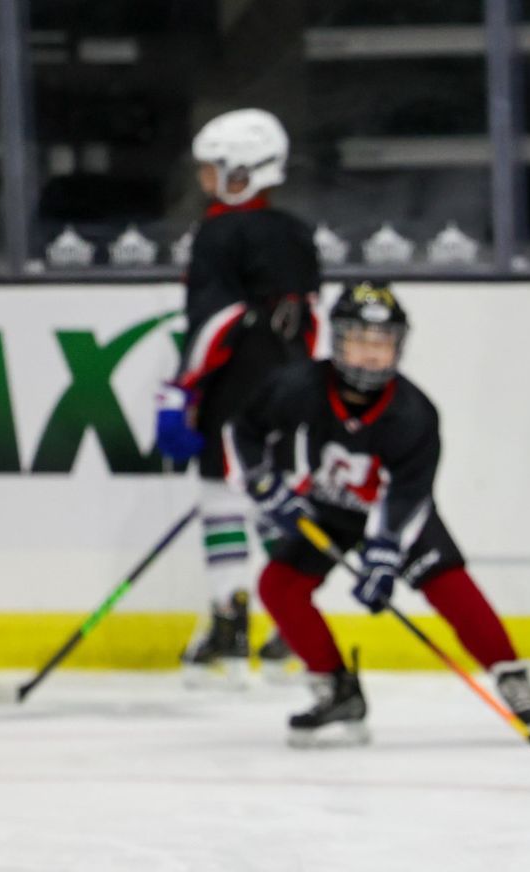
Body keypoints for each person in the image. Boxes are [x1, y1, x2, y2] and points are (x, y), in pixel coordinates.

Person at [225, 282, 530, 750]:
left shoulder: (414, 414)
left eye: (382, 344)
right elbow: (244, 432)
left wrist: (384, 554)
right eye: (360, 341)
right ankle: (336, 688)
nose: (370, 356)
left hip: (393, 512)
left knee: (448, 583)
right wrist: (264, 484)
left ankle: (510, 674)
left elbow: (410, 493)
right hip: (328, 508)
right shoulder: (297, 386)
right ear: (339, 341)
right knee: (279, 586)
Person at [154, 107, 320, 686]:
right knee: (274, 498)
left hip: (238, 389)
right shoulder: (297, 232)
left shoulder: (219, 233)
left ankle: (230, 623)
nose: (205, 180)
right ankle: (290, 631)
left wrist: (181, 390)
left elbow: (214, 322)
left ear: (243, 172)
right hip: (293, 391)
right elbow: (309, 322)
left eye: (213, 169)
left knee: (220, 496)